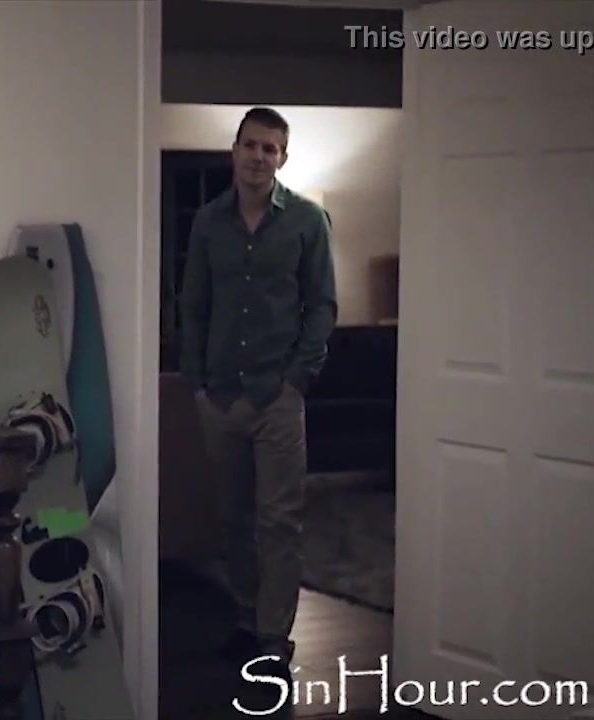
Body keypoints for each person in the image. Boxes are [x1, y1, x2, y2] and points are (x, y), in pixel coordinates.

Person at [178, 107, 337, 666]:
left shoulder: (308, 221)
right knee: (233, 519)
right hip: (220, 393)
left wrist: (298, 379)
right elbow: (193, 304)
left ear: (282, 158)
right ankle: (246, 619)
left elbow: (322, 305)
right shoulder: (208, 221)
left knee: (279, 521)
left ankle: (274, 637)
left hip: (278, 396)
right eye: (250, 145)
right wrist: (196, 379)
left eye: (270, 149)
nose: (258, 156)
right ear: (235, 150)